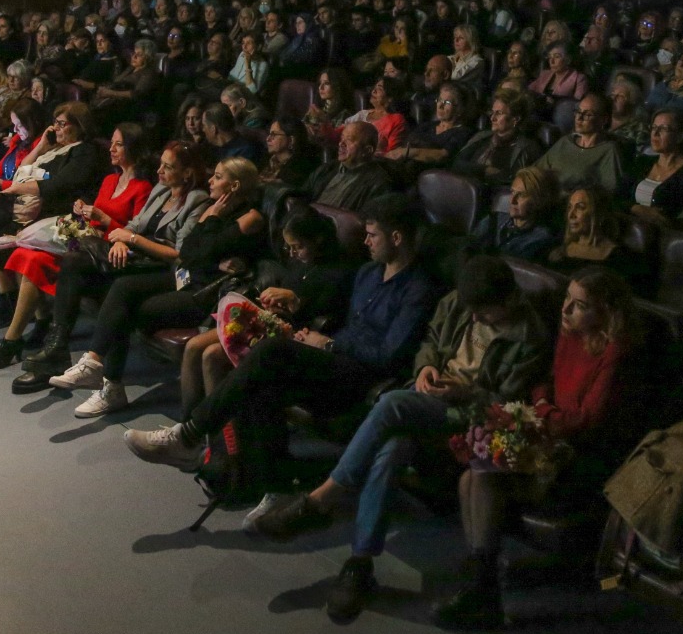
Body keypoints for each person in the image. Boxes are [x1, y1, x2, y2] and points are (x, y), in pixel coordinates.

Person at [244, 256, 551, 623]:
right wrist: (426, 368)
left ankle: (319, 502)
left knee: (391, 405)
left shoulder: (530, 336)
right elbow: (432, 342)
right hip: (431, 400)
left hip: (473, 416)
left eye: (485, 314)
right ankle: (359, 563)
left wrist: (467, 390)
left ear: (507, 301)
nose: (476, 320)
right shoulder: (459, 302)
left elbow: (507, 402)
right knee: (391, 448)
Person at [124, 195, 442, 513]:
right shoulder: (369, 273)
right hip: (333, 358)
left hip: (364, 376)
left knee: (270, 351)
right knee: (261, 383)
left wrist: (329, 344)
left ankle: (188, 436)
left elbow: (389, 354)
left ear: (397, 238)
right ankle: (265, 484)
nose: (366, 240)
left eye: (373, 235)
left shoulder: (418, 288)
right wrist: (311, 336)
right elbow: (345, 323)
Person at [434, 267, 641, 630]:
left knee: (480, 478)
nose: (566, 311)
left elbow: (589, 418)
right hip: (546, 429)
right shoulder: (569, 333)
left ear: (606, 313)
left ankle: (482, 590)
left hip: (577, 453)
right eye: (567, 300)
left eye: (579, 306)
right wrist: (543, 411)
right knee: (471, 476)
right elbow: (542, 384)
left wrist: (545, 414)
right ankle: (483, 586)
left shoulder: (615, 350)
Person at [47, 157, 267, 417]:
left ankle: (111, 388)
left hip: (208, 293)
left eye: (218, 177)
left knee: (127, 311)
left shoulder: (250, 218)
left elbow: (203, 252)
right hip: (187, 276)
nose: (210, 180)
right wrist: (209, 239)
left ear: (235, 186)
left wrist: (211, 227)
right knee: (123, 288)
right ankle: (94, 363)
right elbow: (188, 253)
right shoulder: (213, 210)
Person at [12, 142, 212, 392]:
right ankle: (57, 347)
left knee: (116, 289)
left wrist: (131, 240)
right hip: (136, 257)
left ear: (187, 173)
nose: (159, 170)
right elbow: (135, 223)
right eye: (160, 163)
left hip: (163, 268)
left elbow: (180, 253)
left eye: (168, 167)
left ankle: (97, 371)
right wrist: (121, 239)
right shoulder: (162, 190)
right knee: (75, 259)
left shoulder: (197, 200)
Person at [0, 124, 155, 371]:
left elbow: (133, 231)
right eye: (112, 143)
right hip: (85, 243)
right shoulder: (109, 179)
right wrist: (82, 212)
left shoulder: (143, 188)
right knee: (24, 253)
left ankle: (12, 341)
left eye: (118, 144)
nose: (112, 149)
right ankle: (35, 328)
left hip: (106, 254)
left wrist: (104, 220)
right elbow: (93, 219)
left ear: (133, 149)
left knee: (34, 259)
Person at [0, 103, 107, 328]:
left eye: (62, 124)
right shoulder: (54, 149)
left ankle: (7, 301)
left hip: (52, 211)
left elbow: (59, 185)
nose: (57, 128)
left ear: (79, 126)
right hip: (28, 205)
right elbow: (20, 170)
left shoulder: (84, 151)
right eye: (55, 123)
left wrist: (14, 190)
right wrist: (42, 145)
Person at [173, 206, 357, 423]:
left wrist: (295, 302)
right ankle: (187, 425)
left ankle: (218, 437)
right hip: (273, 320)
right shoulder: (299, 262)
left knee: (212, 355)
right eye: (289, 247)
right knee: (194, 346)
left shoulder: (340, 271)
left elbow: (326, 313)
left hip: (295, 333)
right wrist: (275, 304)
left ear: (317, 240)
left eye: (298, 247)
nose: (292, 254)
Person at [630, 108, 683, 225]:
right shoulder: (642, 161)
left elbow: (677, 215)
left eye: (663, 129)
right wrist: (637, 208)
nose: (655, 133)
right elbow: (617, 198)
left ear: (680, 137)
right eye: (653, 127)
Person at [538, 93, 625, 195]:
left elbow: (609, 191)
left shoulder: (608, 150)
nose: (579, 118)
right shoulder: (566, 141)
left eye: (588, 114)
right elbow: (537, 170)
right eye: (578, 112)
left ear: (603, 120)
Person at [470, 166, 558, 263]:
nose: (512, 200)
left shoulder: (541, 239)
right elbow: (468, 246)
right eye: (512, 192)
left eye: (521, 195)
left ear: (539, 200)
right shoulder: (494, 219)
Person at [303, 121, 393, 212]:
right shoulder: (327, 169)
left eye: (349, 140)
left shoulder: (378, 183)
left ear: (367, 150)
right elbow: (302, 194)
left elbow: (366, 220)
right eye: (342, 138)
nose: (341, 143)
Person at [383, 83, 472, 170]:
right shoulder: (427, 125)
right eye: (439, 100)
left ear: (460, 109)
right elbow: (405, 144)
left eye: (447, 102)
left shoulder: (462, 132)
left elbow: (442, 155)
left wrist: (408, 153)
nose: (440, 106)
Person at [343, 77, 409, 153]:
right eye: (374, 88)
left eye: (380, 89)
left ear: (390, 97)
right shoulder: (362, 114)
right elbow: (341, 131)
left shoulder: (396, 120)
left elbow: (393, 153)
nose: (373, 91)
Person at [259, 118, 315, 188]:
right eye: (269, 134)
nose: (268, 139)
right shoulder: (266, 160)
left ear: (291, 140)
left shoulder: (300, 169)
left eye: (274, 135)